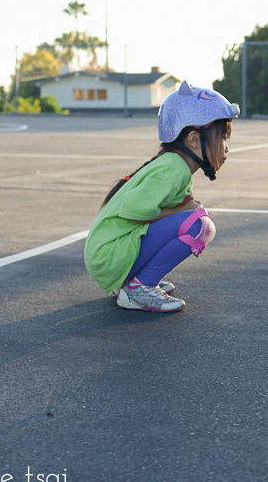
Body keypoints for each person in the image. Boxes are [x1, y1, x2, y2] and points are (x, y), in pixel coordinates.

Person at [84, 82, 239, 312]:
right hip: (109, 257)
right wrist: (182, 212)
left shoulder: (176, 166)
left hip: (108, 256)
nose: (226, 148)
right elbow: (133, 210)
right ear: (194, 139)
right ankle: (139, 287)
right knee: (200, 226)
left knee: (195, 218)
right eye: (222, 138)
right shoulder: (174, 169)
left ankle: (136, 281)